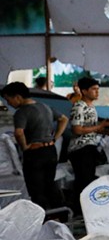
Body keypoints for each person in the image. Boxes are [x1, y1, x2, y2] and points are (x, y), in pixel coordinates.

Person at [1, 82, 68, 210]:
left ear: (18, 97)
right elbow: (64, 119)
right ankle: (59, 215)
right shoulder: (45, 106)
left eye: (8, 99)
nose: (8, 103)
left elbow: (19, 132)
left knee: (37, 190)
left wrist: (25, 147)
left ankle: (43, 218)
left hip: (35, 154)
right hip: (51, 151)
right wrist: (55, 138)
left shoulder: (21, 112)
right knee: (50, 185)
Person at [67, 76, 109, 194]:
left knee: (89, 180)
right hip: (80, 149)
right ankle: (79, 209)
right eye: (93, 89)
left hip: (90, 147)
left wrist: (106, 130)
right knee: (84, 181)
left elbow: (89, 129)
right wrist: (100, 126)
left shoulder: (91, 107)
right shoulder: (79, 107)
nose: (97, 92)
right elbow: (77, 130)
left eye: (98, 89)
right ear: (84, 91)